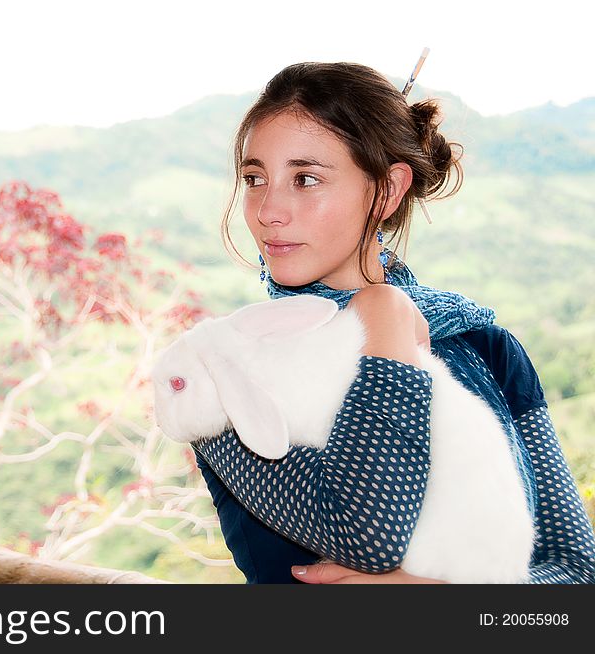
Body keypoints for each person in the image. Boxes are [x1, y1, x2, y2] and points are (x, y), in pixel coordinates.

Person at [192, 62, 595, 584]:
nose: (268, 209)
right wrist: (381, 323)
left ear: (386, 190)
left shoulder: (483, 347)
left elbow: (577, 571)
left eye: (305, 178)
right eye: (254, 178)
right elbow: (365, 532)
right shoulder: (224, 368)